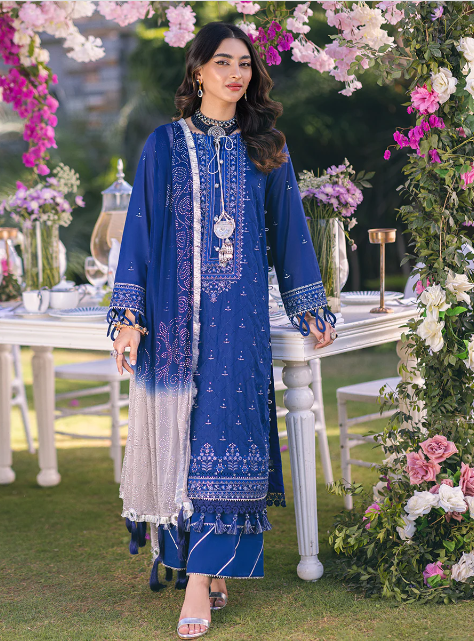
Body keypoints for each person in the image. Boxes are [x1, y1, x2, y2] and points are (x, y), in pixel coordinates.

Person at [107, 21, 337, 640]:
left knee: (223, 442)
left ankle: (201, 578)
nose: (236, 73)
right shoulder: (163, 145)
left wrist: (309, 305)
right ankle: (204, 569)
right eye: (222, 62)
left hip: (239, 322)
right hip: (173, 321)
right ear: (198, 70)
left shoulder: (267, 147)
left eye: (244, 63)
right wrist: (128, 317)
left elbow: (289, 232)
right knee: (182, 442)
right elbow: (139, 235)